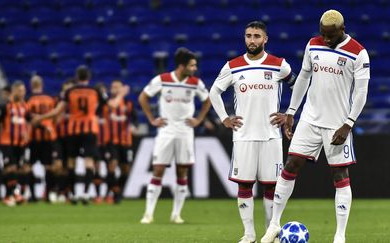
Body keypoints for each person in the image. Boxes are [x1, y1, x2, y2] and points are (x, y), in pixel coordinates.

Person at [261, 10, 370, 243]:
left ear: (343, 29)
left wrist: (348, 123)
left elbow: (361, 92)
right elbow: (303, 77)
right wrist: (291, 112)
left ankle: (340, 235)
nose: (327, 39)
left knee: (340, 174)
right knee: (290, 165)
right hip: (310, 119)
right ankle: (273, 225)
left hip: (337, 123)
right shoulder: (313, 44)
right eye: (324, 34)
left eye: (331, 35)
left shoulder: (358, 53)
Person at [209, 21, 296, 243]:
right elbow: (214, 92)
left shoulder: (279, 64)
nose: (252, 40)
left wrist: (289, 113)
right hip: (244, 135)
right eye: (248, 35)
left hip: (271, 136)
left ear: (265, 39)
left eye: (257, 36)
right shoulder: (233, 65)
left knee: (271, 185)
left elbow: (299, 86)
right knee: (244, 184)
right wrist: (224, 118)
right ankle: (249, 235)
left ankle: (271, 232)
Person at [32, 65, 126, 205]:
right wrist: (121, 94)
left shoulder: (70, 91)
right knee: (89, 161)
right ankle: (86, 193)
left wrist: (40, 117)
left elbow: (57, 111)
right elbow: (113, 105)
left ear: (77, 77)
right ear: (88, 77)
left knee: (71, 162)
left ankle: (74, 194)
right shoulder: (95, 91)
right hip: (89, 130)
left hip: (73, 130)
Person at [139, 47, 211, 224]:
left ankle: (176, 214)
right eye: (192, 65)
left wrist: (199, 119)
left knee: (182, 171)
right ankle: (148, 214)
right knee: (158, 170)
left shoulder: (195, 82)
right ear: (182, 65)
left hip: (186, 131)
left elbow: (208, 100)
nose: (194, 68)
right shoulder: (162, 80)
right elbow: (143, 97)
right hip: (166, 130)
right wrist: (151, 119)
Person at [0, 81, 29, 206]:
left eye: (24, 91)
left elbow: (30, 119)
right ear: (13, 91)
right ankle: (15, 193)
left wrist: (43, 125)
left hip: (20, 144)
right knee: (11, 168)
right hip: (6, 142)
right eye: (20, 90)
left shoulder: (24, 106)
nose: (23, 93)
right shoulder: (4, 107)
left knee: (13, 170)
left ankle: (9, 196)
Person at [26, 75, 63, 202]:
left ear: (31, 85)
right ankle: (48, 194)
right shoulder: (50, 99)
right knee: (48, 166)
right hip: (48, 137)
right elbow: (56, 118)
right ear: (42, 85)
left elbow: (26, 118)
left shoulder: (27, 100)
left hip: (32, 138)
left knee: (29, 166)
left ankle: (32, 196)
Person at [104, 80, 137, 204]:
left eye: (117, 87)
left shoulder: (128, 104)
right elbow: (113, 105)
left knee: (125, 169)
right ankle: (116, 192)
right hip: (111, 140)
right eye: (113, 87)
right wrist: (121, 94)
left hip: (126, 141)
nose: (114, 89)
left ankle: (118, 189)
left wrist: (134, 126)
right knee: (112, 165)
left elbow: (134, 119)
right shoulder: (107, 102)